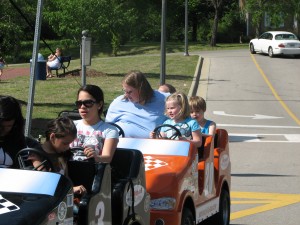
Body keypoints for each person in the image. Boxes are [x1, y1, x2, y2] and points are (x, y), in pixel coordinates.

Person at [29, 116, 87, 195]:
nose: (67, 147)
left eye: (69, 144)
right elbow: (46, 182)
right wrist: (71, 190)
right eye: (65, 143)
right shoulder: (36, 155)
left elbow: (66, 179)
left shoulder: (62, 154)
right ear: (52, 137)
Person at [105, 70, 169, 138]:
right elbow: (106, 128)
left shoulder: (165, 99)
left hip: (154, 145)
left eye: (130, 92)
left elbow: (179, 121)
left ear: (141, 89)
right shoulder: (118, 103)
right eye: (125, 91)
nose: (126, 95)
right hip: (120, 146)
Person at [70, 84, 119, 163]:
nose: (82, 106)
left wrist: (96, 157)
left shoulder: (110, 130)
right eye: (79, 103)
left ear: (99, 105)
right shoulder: (70, 126)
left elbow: (107, 158)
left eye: (88, 103)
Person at [0, 95, 41, 168]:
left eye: (9, 126)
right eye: (1, 126)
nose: (4, 130)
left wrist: (38, 165)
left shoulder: (26, 144)